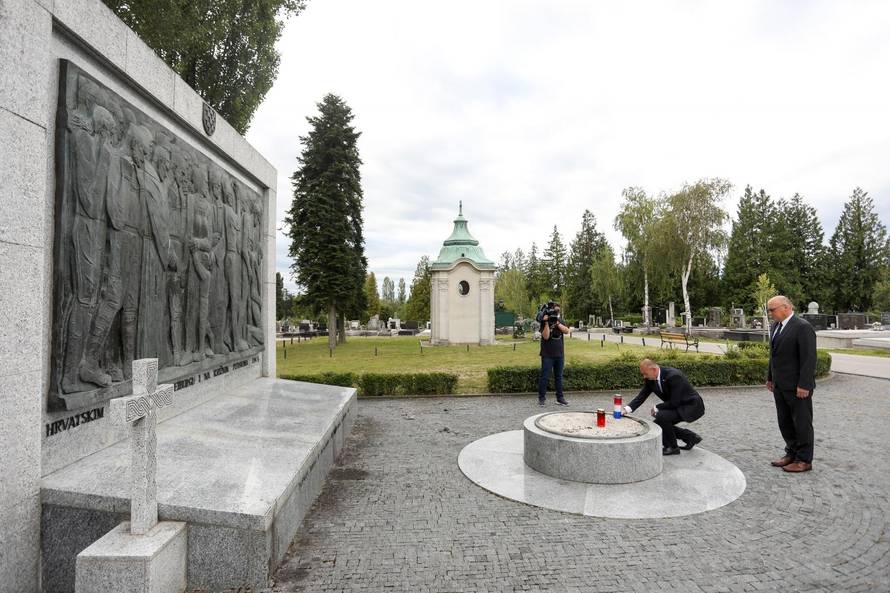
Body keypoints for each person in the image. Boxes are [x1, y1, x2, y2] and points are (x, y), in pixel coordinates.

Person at [765, 295, 817, 473]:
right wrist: (770, 377)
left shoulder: (802, 327)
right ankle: (791, 453)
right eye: (769, 310)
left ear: (786, 307)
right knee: (785, 422)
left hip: (798, 387)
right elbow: (774, 355)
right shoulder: (776, 326)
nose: (770, 313)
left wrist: (805, 385)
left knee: (801, 423)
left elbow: (809, 359)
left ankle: (804, 460)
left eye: (772, 309)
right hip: (780, 385)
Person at [625, 359, 705, 455]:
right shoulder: (650, 379)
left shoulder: (674, 376)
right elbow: (642, 396)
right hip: (677, 406)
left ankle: (672, 447)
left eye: (645, 373)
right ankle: (690, 437)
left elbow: (675, 402)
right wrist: (626, 409)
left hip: (691, 406)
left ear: (653, 369)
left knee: (662, 416)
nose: (644, 376)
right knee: (656, 426)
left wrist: (657, 407)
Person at [537, 302, 570, 407]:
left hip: (559, 354)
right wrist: (546, 323)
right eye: (555, 310)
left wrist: (557, 323)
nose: (556, 312)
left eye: (557, 311)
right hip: (547, 354)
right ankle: (541, 399)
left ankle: (560, 398)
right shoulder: (544, 322)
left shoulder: (560, 321)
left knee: (559, 377)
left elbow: (567, 331)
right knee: (544, 377)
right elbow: (546, 337)